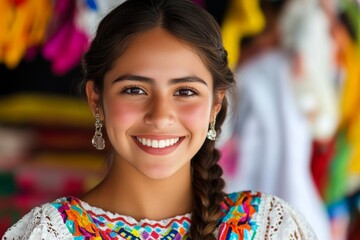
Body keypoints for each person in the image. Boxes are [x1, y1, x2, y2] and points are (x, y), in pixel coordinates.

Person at [2, 0, 317, 239]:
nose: (160, 115)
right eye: (135, 89)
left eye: (185, 91)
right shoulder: (47, 233)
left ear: (215, 104)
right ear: (96, 99)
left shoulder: (268, 227)